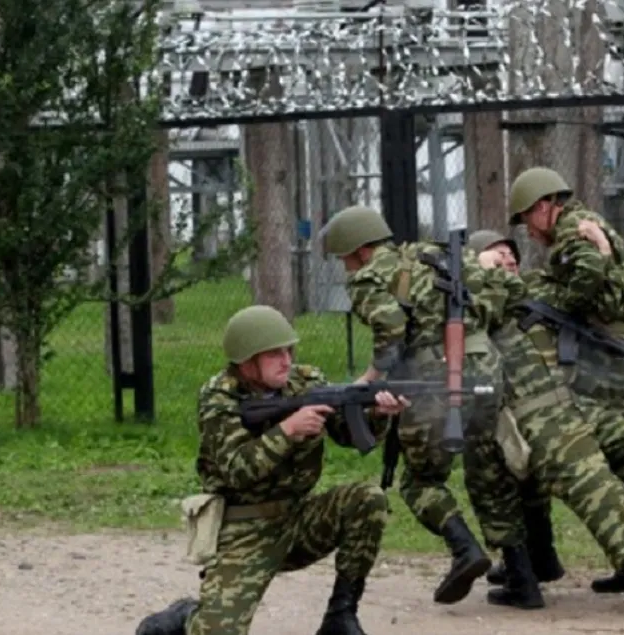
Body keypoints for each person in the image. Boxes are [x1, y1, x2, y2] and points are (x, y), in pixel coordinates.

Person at [498, 166, 624, 608]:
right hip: (589, 369)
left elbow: (587, 272)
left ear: (543, 206)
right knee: (601, 459)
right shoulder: (581, 229)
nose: (528, 236)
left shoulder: (573, 233)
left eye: (526, 221)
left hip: (600, 358)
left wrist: (566, 307)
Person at [135, 305, 408, 635]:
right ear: (247, 360)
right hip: (243, 529)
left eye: (289, 350)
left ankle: (340, 616)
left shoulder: (304, 383)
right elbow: (237, 469)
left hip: (297, 519)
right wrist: (288, 431)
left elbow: (349, 434)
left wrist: (377, 413)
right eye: (274, 354)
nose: (287, 360)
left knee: (367, 499)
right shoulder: (220, 398)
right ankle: (186, 616)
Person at [318, 206, 507, 606]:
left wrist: (372, 379)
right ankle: (523, 577)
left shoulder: (370, 278)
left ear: (359, 251)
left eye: (344, 259)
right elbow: (495, 293)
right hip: (487, 370)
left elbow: (390, 327)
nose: (345, 268)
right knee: (488, 469)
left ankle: (465, 550)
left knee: (420, 481)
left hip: (432, 382)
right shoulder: (432, 256)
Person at [466, 230, 566, 589]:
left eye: (511, 257)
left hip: (533, 407)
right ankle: (538, 561)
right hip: (514, 404)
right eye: (497, 256)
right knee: (519, 479)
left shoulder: (526, 294)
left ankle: (524, 571)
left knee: (492, 478)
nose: (507, 261)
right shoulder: (476, 297)